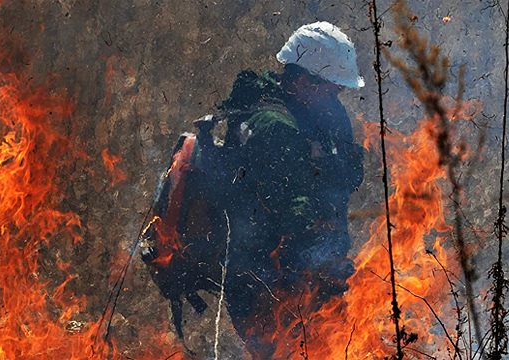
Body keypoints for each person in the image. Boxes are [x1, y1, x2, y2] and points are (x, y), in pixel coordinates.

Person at [140, 21, 365, 357]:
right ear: (304, 79)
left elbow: (348, 172)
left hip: (286, 276)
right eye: (332, 89)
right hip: (268, 282)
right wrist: (323, 263)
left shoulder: (309, 112)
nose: (338, 97)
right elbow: (294, 212)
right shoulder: (274, 127)